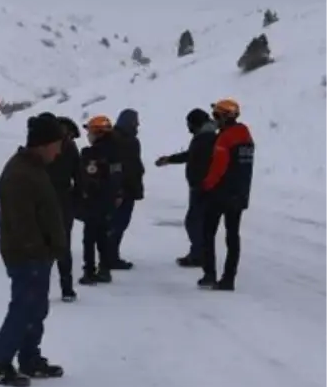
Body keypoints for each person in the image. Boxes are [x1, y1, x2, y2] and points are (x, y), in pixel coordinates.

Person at [0, 114, 67, 387]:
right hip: (27, 255)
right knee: (23, 308)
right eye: (57, 144)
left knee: (36, 309)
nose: (59, 151)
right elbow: (21, 223)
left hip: (38, 255)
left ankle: (30, 358)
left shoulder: (33, 168)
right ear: (43, 144)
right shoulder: (20, 174)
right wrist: (39, 251)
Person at [198, 98, 254, 291]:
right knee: (232, 236)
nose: (215, 119)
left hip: (220, 193)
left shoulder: (225, 138)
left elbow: (218, 167)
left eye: (216, 115)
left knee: (208, 233)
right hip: (240, 193)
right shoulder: (246, 135)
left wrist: (206, 185)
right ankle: (229, 278)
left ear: (224, 116)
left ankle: (209, 274)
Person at [155, 108, 218, 267]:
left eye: (189, 124)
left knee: (194, 221)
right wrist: (169, 159)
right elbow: (191, 155)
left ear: (195, 124)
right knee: (199, 221)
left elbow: (196, 158)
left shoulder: (206, 139)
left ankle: (199, 255)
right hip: (202, 185)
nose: (187, 127)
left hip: (203, 186)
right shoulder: (205, 137)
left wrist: (202, 182)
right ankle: (200, 253)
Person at [76, 114, 123, 286]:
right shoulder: (117, 152)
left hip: (95, 201)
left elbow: (88, 178)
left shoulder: (92, 154)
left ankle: (89, 271)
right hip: (110, 200)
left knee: (90, 238)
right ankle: (104, 269)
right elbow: (118, 177)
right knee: (104, 236)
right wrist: (118, 195)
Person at [48, 116, 82, 302]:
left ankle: (41, 289)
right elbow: (79, 177)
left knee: (45, 246)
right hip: (63, 200)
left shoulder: (44, 146)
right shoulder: (70, 147)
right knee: (63, 246)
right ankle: (67, 288)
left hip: (46, 199)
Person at [109, 108, 145, 269]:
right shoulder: (127, 141)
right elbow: (127, 167)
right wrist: (121, 190)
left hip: (122, 188)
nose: (138, 124)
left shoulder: (116, 138)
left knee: (116, 224)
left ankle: (110, 255)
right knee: (117, 224)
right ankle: (110, 257)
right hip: (123, 189)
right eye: (135, 121)